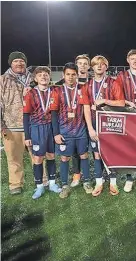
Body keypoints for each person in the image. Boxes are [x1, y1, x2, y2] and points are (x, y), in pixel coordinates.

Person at [1, 51, 46, 195]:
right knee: (14, 157)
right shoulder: (3, 79)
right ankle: (16, 184)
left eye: (22, 61)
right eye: (16, 61)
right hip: (11, 125)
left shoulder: (34, 78)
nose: (19, 63)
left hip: (34, 124)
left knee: (38, 155)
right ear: (11, 63)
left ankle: (43, 179)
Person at [80, 55, 126, 197]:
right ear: (92, 67)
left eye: (102, 64)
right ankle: (99, 182)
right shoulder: (87, 86)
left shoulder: (114, 83)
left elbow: (121, 103)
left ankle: (113, 182)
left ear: (106, 66)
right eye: (96, 64)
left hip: (111, 123)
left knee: (111, 154)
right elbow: (86, 108)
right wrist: (90, 128)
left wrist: (105, 100)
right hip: (94, 123)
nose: (99, 66)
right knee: (97, 154)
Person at [50, 63, 92, 198]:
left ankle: (86, 182)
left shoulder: (83, 89)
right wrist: (56, 133)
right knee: (64, 157)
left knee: (84, 155)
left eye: (73, 74)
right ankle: (64, 185)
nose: (70, 77)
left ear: (77, 75)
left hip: (80, 131)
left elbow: (86, 108)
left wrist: (89, 128)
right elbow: (54, 113)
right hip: (64, 132)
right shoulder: (57, 91)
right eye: (68, 74)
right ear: (63, 75)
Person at [23, 66, 62, 199]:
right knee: (38, 158)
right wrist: (27, 136)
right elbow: (26, 115)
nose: (43, 77)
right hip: (37, 128)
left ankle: (52, 183)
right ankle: (39, 186)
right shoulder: (30, 94)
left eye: (46, 74)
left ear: (49, 77)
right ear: (35, 78)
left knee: (51, 156)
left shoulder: (55, 90)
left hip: (51, 127)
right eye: (40, 75)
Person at [114, 49, 136, 192]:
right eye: (132, 58)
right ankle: (129, 178)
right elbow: (116, 95)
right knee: (127, 148)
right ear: (128, 60)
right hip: (126, 115)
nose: (134, 61)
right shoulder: (121, 76)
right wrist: (127, 102)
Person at [69, 54, 91, 187]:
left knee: (96, 150)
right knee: (76, 151)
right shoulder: (69, 83)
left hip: (92, 120)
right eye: (80, 63)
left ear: (89, 66)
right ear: (76, 65)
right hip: (75, 122)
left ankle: (102, 174)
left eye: (85, 63)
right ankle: (76, 175)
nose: (82, 65)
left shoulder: (93, 82)